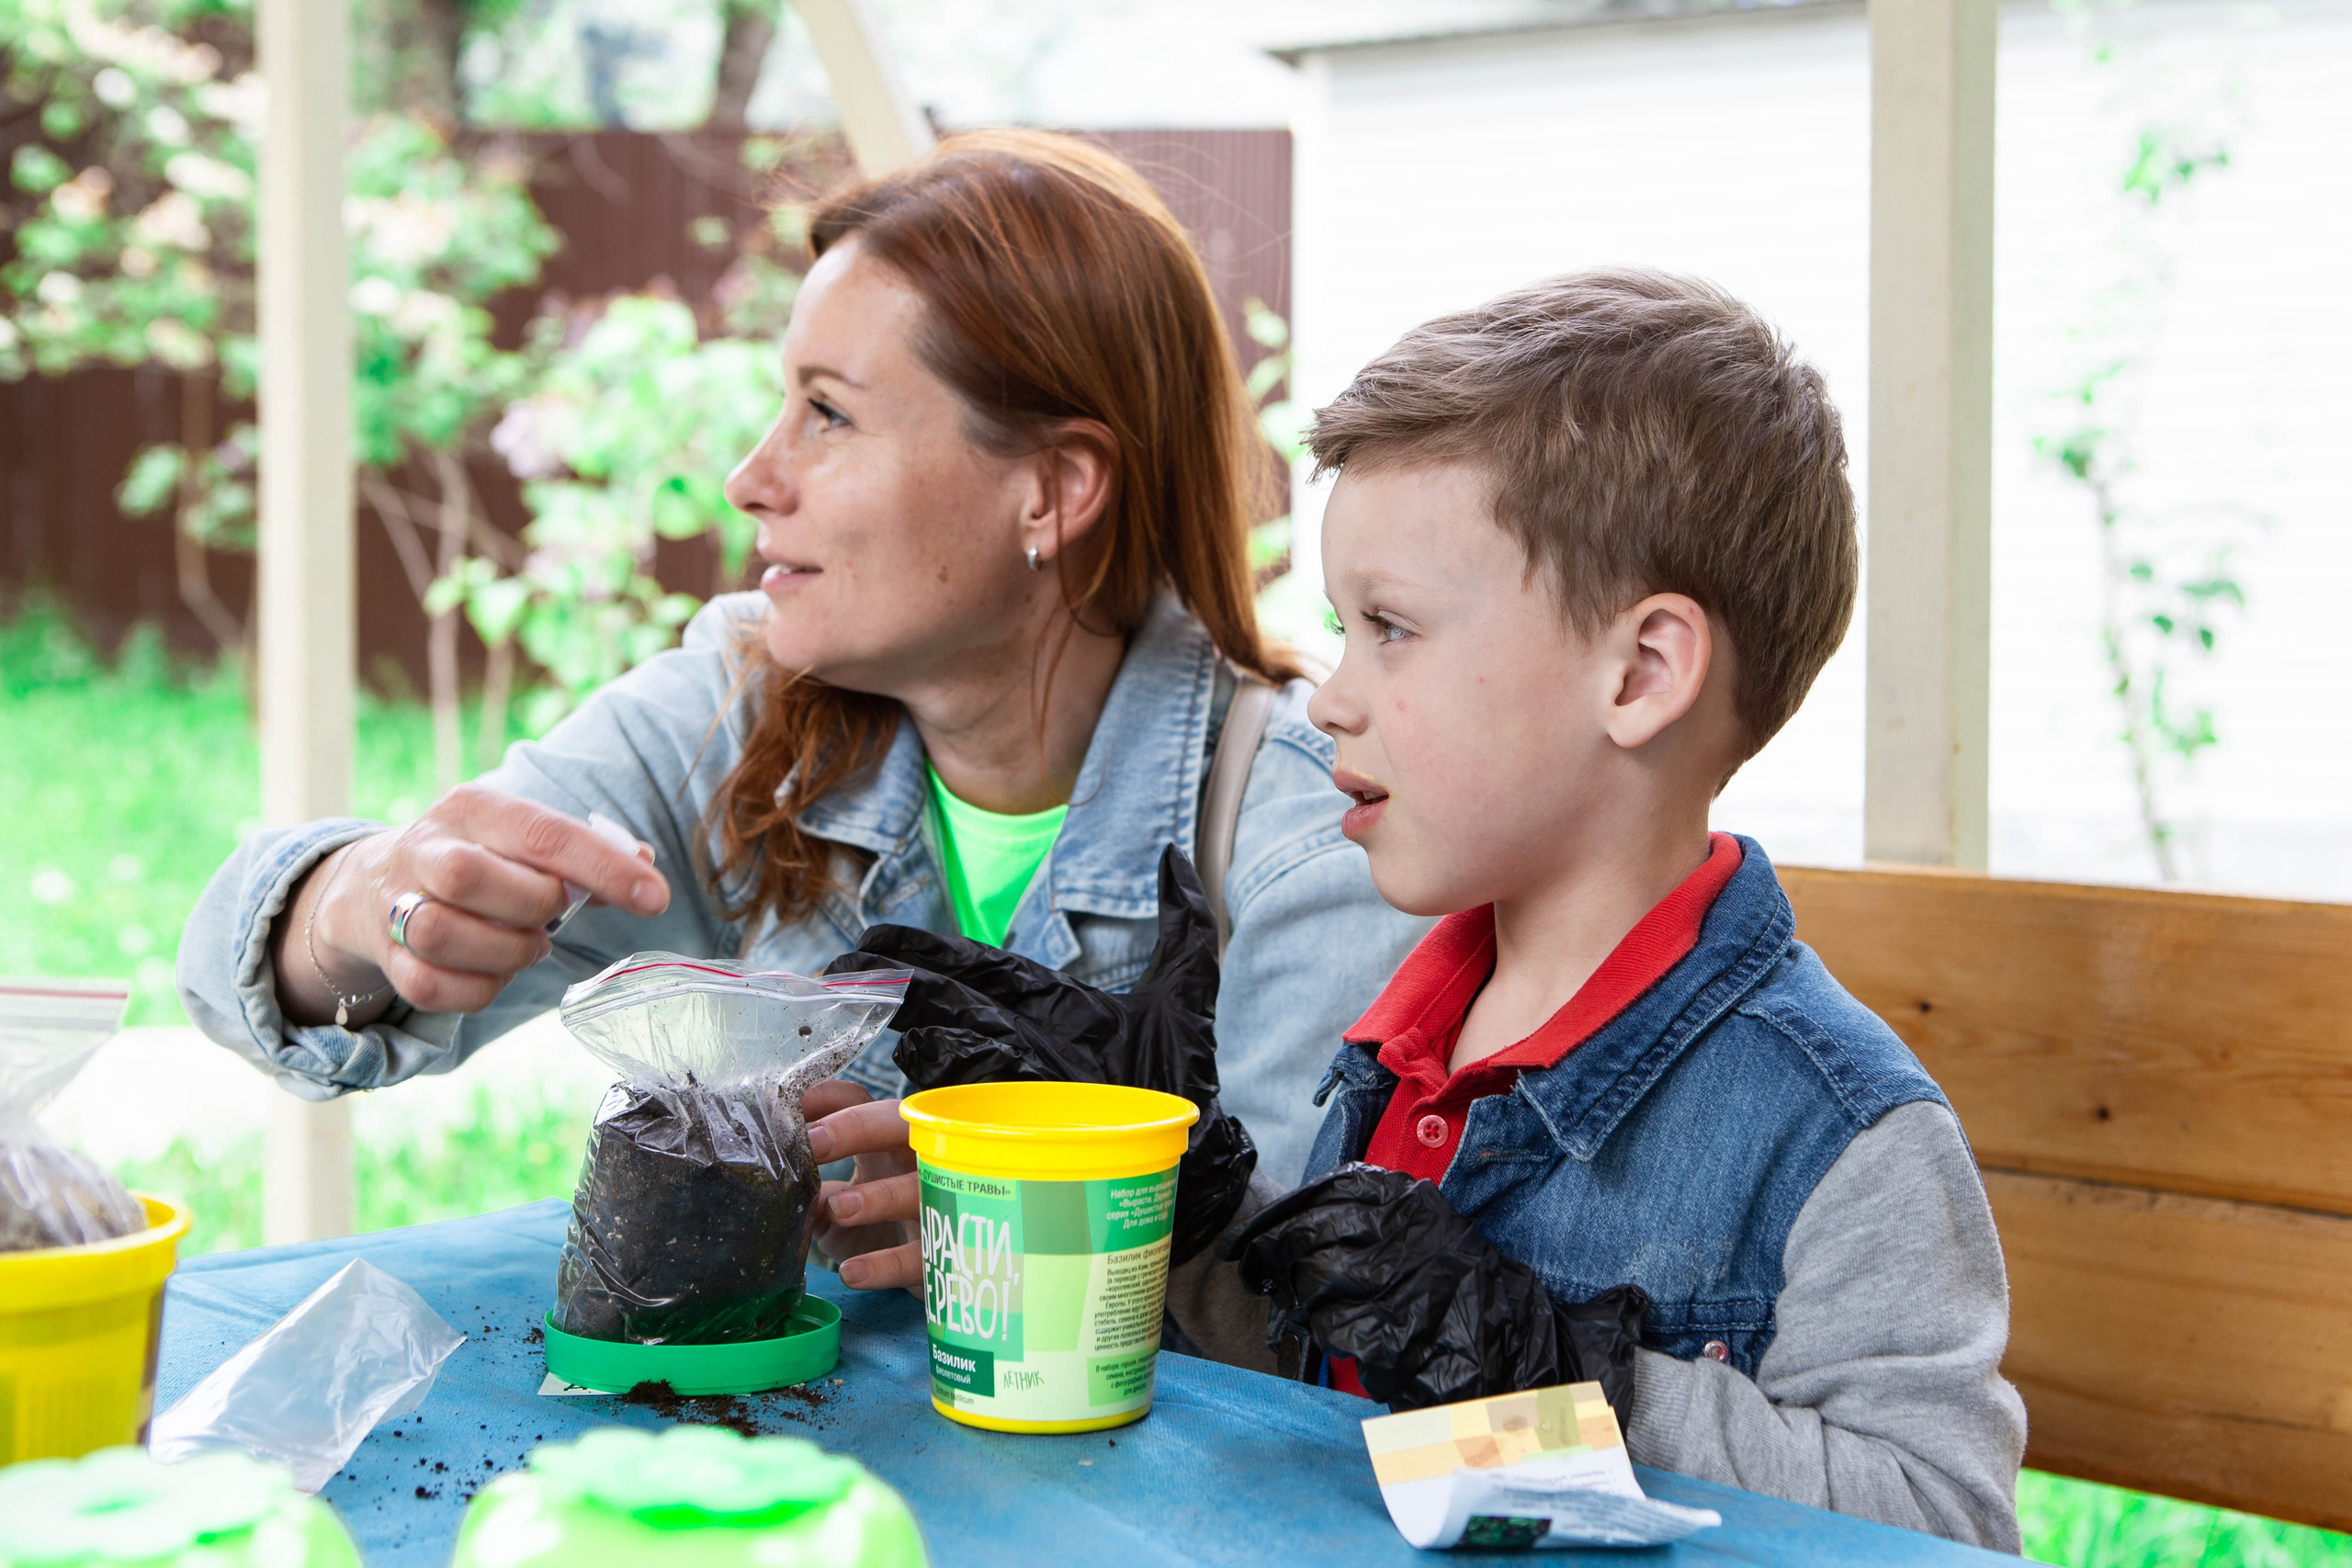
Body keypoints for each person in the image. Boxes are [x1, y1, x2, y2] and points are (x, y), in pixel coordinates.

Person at [817, 269, 2027, 1549]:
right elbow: (1348, 1409)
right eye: (1341, 629)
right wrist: (1204, 1217)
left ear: (1643, 673)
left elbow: (1948, 1525)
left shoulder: (1836, 1127)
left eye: (1390, 628)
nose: (1330, 698)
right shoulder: (1401, 1044)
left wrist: (1575, 1387)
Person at [175, 130, 1428, 1195]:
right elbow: (243, 982)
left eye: (827, 414)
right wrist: (361, 911)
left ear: (1053, 490)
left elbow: (1312, 1313)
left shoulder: (1310, 826)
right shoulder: (745, 714)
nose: (750, 479)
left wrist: (1007, 1216)